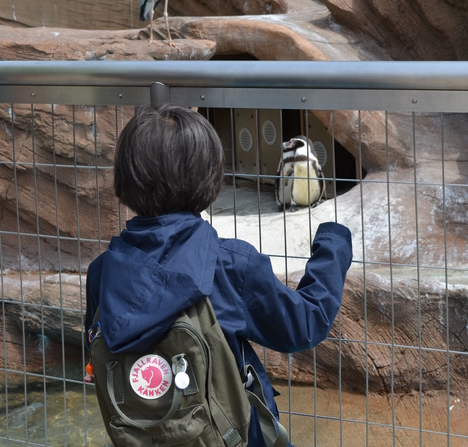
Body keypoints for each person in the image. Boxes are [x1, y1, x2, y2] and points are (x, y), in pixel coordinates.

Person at [85, 105, 353, 446]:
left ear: (125, 178)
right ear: (210, 178)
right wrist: (333, 247)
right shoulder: (230, 266)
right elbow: (305, 324)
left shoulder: (101, 272)